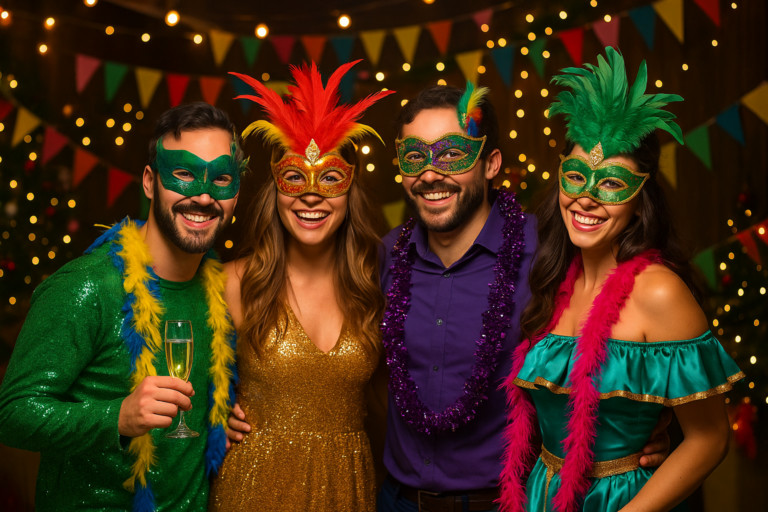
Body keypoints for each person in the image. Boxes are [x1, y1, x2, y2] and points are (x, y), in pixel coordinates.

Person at [376, 82, 672, 512]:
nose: (430, 174)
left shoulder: (552, 255)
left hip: (504, 503)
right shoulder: (385, 256)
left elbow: (635, 337)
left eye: (453, 154)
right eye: (415, 157)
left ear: (491, 163)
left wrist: (645, 432)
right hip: (396, 501)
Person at [499, 47, 743, 512]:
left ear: (640, 198)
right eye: (576, 176)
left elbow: (709, 438)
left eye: (611, 183)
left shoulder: (658, 290)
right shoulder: (552, 280)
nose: (587, 199)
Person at [0, 102, 242, 511]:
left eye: (221, 179)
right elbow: (12, 413)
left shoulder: (221, 291)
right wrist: (116, 417)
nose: (202, 196)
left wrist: (221, 415)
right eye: (183, 174)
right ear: (150, 181)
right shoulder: (88, 286)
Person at [208, 61, 394, 511]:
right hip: (252, 489)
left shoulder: (378, 282)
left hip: (347, 489)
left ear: (350, 192)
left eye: (330, 179)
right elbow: (174, 375)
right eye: (295, 177)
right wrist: (214, 415)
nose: (311, 196)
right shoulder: (233, 282)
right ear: (276, 189)